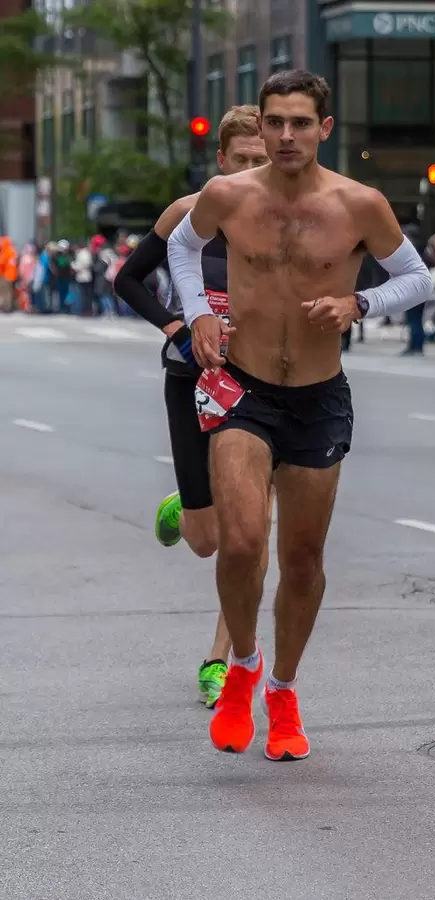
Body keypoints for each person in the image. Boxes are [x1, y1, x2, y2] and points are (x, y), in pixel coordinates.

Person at [167, 70, 432, 761]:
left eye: (300, 123)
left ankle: (282, 688)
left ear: (324, 128)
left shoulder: (359, 203)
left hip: (318, 397)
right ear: (262, 121)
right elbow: (180, 246)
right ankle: (243, 668)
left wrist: (360, 305)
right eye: (275, 121)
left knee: (303, 559)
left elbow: (418, 277)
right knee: (244, 541)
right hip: (243, 387)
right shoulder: (228, 195)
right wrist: (196, 312)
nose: (286, 135)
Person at [114, 105, 270, 709]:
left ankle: (221, 661)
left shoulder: (287, 219)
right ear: (221, 161)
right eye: (244, 160)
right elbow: (127, 280)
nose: (255, 170)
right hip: (191, 381)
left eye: (263, 160)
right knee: (207, 539)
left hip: (260, 392)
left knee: (247, 536)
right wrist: (176, 325)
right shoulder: (188, 214)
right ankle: (186, 503)